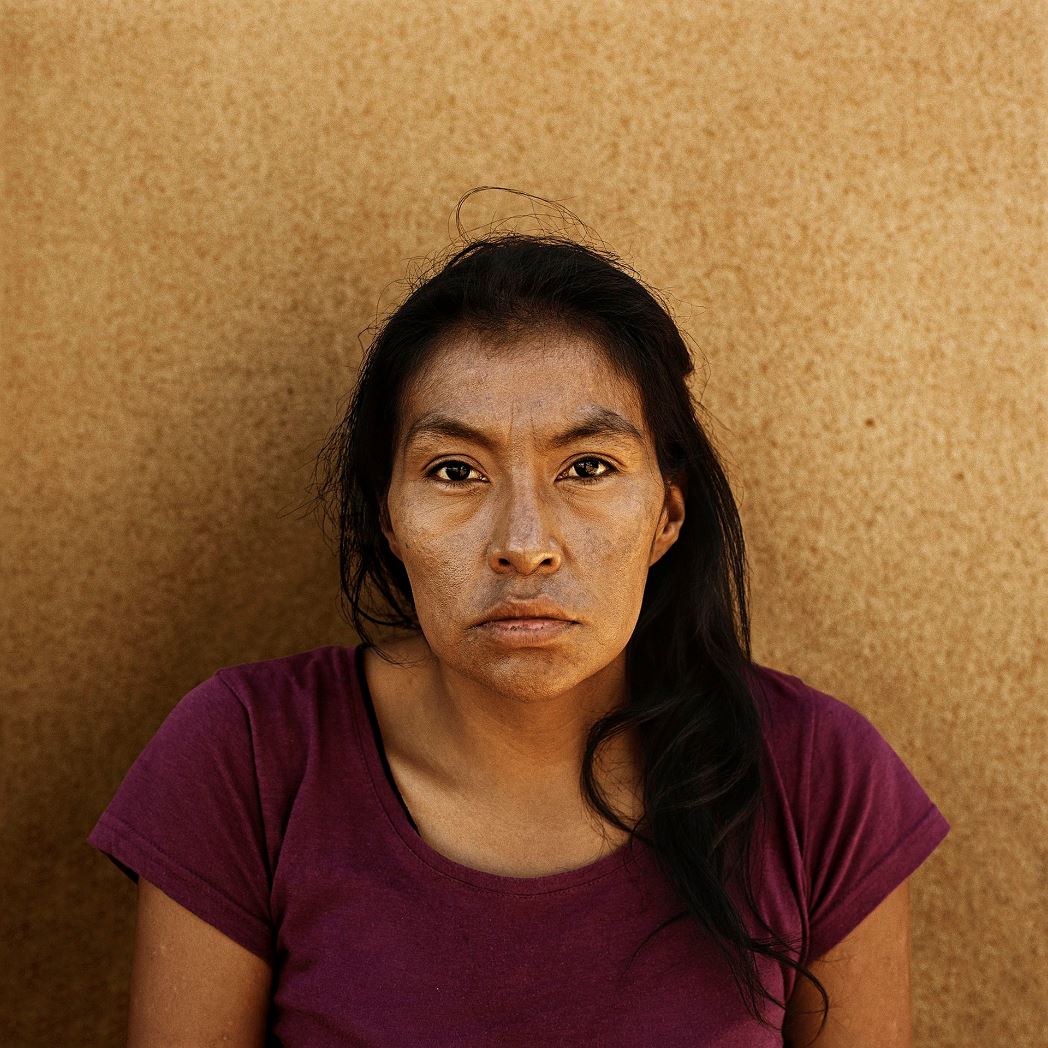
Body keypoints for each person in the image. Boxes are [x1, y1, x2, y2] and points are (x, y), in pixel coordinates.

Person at [87, 191, 950, 1047]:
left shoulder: (819, 779)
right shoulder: (247, 759)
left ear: (668, 514)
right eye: (457, 472)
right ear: (387, 517)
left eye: (588, 467)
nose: (525, 545)